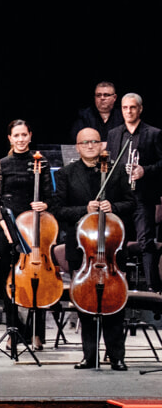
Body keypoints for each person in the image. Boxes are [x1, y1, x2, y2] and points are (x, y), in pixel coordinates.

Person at [54, 128, 135, 370]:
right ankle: (89, 355)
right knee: (85, 303)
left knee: (114, 303)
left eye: (94, 141)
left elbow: (132, 203)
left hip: (111, 248)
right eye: (84, 142)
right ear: (77, 147)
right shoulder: (66, 173)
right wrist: (84, 210)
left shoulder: (116, 171)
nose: (90, 146)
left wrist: (114, 207)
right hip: (82, 248)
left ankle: (116, 356)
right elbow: (58, 209)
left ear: (101, 145)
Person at [0, 119, 54, 349]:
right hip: (8, 227)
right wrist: (4, 227)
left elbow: (50, 196)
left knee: (38, 279)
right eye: (15, 136)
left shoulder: (41, 162)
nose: (20, 139)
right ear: (10, 138)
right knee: (10, 281)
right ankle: (13, 331)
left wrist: (44, 205)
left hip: (35, 228)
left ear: (30, 136)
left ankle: (37, 333)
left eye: (23, 135)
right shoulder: (3, 164)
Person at [107, 93, 160, 290]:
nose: (128, 111)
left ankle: (154, 290)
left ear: (140, 109)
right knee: (117, 243)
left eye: (132, 107)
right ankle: (119, 288)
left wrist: (144, 170)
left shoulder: (154, 133)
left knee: (146, 242)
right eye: (124, 108)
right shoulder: (114, 134)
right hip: (121, 198)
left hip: (142, 196)